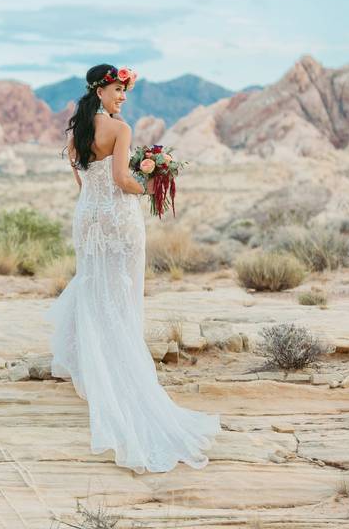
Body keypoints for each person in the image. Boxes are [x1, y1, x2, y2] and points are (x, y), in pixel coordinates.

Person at [45, 63, 220, 473]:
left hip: (87, 216)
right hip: (119, 220)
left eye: (125, 90)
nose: (123, 97)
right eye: (118, 90)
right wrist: (152, 184)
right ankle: (119, 371)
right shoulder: (119, 131)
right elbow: (123, 179)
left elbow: (84, 182)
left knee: (93, 286)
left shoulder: (77, 132)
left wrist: (111, 190)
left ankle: (92, 366)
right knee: (121, 292)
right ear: (101, 91)